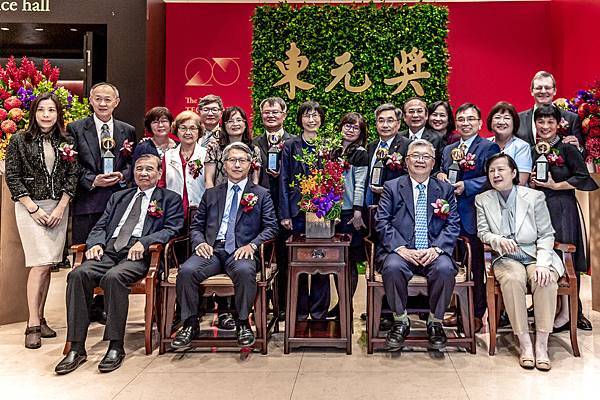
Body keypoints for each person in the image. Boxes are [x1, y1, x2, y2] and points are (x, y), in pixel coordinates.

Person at [55, 154, 184, 374]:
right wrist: (95, 244)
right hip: (109, 250)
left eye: (149, 169)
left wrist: (144, 242)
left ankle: (116, 345)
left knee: (114, 278)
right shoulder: (119, 197)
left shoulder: (169, 198)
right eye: (139, 169)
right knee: (77, 274)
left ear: (159, 173)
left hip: (138, 254)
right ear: (133, 172)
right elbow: (100, 226)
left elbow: (172, 229)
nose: (143, 173)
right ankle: (76, 347)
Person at [172, 143, 278, 348]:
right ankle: (190, 323)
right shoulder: (212, 193)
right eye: (232, 160)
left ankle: (242, 323)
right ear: (224, 164)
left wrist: (253, 246)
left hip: (241, 251)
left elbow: (271, 227)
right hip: (211, 250)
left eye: (242, 161)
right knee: (186, 271)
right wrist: (200, 242)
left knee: (245, 272)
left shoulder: (261, 194)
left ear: (250, 165)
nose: (237, 165)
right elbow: (196, 226)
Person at [476, 153, 564, 371]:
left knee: (544, 279)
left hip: (535, 254)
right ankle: (525, 343)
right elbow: (483, 233)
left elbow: (546, 234)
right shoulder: (483, 199)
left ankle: (541, 345)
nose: (496, 174)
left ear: (514, 173)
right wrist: (497, 240)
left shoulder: (534, 197)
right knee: (513, 279)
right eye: (492, 171)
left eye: (501, 169)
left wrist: (544, 263)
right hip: (506, 258)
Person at [5, 92, 79, 349]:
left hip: (58, 207)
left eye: (51, 110)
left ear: (58, 114)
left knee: (48, 265)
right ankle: (32, 324)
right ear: (34, 113)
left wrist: (61, 207)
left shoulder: (66, 140)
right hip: (29, 207)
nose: (46, 115)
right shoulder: (19, 140)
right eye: (42, 110)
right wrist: (33, 208)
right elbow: (12, 177)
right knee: (38, 264)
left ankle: (42, 316)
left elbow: (73, 176)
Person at [375, 139, 460, 351]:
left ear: (433, 163)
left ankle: (435, 321)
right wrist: (401, 248)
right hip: (402, 250)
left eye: (426, 157)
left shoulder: (444, 189)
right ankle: (400, 320)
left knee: (445, 268)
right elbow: (381, 221)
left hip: (433, 250)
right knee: (392, 267)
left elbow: (453, 223)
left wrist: (437, 248)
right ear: (406, 161)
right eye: (415, 156)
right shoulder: (392, 187)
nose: (420, 161)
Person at [68, 82, 136, 325]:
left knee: (113, 252)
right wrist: (92, 179)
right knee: (88, 256)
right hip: (89, 201)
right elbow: (70, 165)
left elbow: (132, 165)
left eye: (108, 99)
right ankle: (85, 311)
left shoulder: (127, 130)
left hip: (117, 203)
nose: (103, 103)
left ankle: (106, 304)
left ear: (116, 102)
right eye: (99, 99)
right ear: (91, 100)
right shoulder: (75, 129)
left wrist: (123, 176)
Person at [530, 104, 598, 331]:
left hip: (562, 207)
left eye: (551, 122)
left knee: (565, 256)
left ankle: (569, 312)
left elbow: (583, 177)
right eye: (541, 122)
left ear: (559, 124)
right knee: (545, 258)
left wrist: (555, 185)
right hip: (538, 208)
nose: (546, 126)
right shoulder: (532, 149)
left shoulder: (567, 148)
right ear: (535, 124)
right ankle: (551, 309)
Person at [438, 103, 500, 331]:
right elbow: (440, 173)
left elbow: (492, 178)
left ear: (480, 123)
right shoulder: (448, 149)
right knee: (453, 266)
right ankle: (456, 310)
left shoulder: (488, 148)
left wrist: (467, 185)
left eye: (470, 119)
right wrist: (441, 175)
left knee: (474, 268)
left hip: (472, 215)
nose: (465, 123)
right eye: (461, 119)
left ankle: (475, 313)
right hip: (447, 217)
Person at [280, 101, 330, 320]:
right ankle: (299, 311)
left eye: (316, 115)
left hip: (321, 210)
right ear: (300, 119)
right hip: (297, 210)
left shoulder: (328, 144)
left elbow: (333, 179)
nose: (312, 119)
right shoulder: (291, 145)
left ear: (321, 119)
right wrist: (285, 214)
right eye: (307, 115)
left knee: (321, 260)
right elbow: (283, 179)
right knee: (298, 261)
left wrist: (331, 210)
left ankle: (319, 311)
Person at [252, 96, 294, 316]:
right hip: (259, 210)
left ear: (284, 115)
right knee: (262, 259)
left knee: (286, 258)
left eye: (275, 112)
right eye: (267, 112)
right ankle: (262, 306)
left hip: (287, 210)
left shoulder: (294, 141)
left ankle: (285, 307)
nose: (271, 116)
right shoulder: (254, 143)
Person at [330, 112, 369, 315]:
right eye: (347, 125)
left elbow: (360, 184)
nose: (350, 129)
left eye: (355, 127)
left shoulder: (360, 153)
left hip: (349, 213)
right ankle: (340, 305)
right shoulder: (333, 150)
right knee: (337, 261)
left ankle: (346, 305)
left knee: (350, 261)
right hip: (331, 212)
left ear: (361, 132)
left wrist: (357, 211)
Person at [516, 71, 584, 151]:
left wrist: (579, 148)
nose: (543, 91)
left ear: (554, 91)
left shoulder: (571, 118)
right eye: (538, 88)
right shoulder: (518, 119)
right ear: (531, 91)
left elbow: (583, 153)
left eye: (547, 88)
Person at [158, 110, 206, 220]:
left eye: (193, 128)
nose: (188, 132)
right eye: (183, 128)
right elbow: (162, 183)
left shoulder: (206, 154)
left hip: (199, 210)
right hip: (173, 211)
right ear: (176, 130)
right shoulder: (169, 155)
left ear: (199, 131)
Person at [365, 103, 411, 206]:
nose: (385, 125)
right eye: (381, 121)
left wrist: (388, 189)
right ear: (376, 124)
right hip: (370, 200)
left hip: (395, 203)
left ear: (398, 124)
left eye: (390, 121)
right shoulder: (371, 146)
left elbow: (411, 176)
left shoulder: (408, 145)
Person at [205, 106, 260, 189]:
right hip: (219, 196)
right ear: (224, 125)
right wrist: (212, 199)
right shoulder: (214, 148)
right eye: (230, 121)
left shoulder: (254, 150)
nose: (235, 124)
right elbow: (209, 180)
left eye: (239, 120)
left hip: (246, 197)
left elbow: (255, 180)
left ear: (245, 124)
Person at [487, 102, 532, 185]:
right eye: (497, 117)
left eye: (507, 118)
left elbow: (520, 182)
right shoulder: (485, 144)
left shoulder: (522, 147)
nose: (501, 122)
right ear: (491, 122)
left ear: (514, 123)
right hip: (486, 194)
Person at [399, 97, 444, 171]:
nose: (415, 115)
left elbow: (438, 168)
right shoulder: (398, 137)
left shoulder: (438, 138)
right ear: (404, 117)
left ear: (426, 115)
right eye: (411, 111)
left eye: (419, 111)